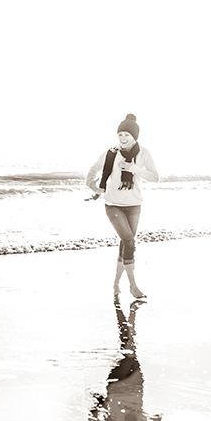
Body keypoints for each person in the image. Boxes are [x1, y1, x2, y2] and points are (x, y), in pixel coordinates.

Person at [86, 114, 159, 298]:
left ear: (135, 136)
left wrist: (134, 169)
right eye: (120, 134)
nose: (123, 138)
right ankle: (133, 285)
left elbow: (155, 177)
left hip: (134, 205)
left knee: (126, 243)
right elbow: (93, 170)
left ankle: (116, 283)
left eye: (127, 134)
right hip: (113, 205)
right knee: (129, 241)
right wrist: (94, 186)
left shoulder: (143, 153)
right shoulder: (111, 153)